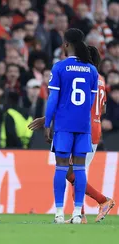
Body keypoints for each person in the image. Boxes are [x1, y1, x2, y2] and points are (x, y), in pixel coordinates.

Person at [28, 46, 115, 223]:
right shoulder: (99, 78)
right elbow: (102, 108)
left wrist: (47, 118)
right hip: (94, 128)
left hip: (80, 127)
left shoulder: (82, 76)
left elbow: (75, 105)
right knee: (74, 171)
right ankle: (80, 213)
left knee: (72, 171)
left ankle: (101, 201)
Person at [44, 28, 98, 224]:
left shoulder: (59, 67)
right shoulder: (92, 70)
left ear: (66, 44)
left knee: (60, 168)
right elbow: (90, 101)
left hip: (64, 125)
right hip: (83, 126)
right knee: (80, 169)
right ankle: (77, 213)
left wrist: (48, 122)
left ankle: (59, 213)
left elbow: (53, 99)